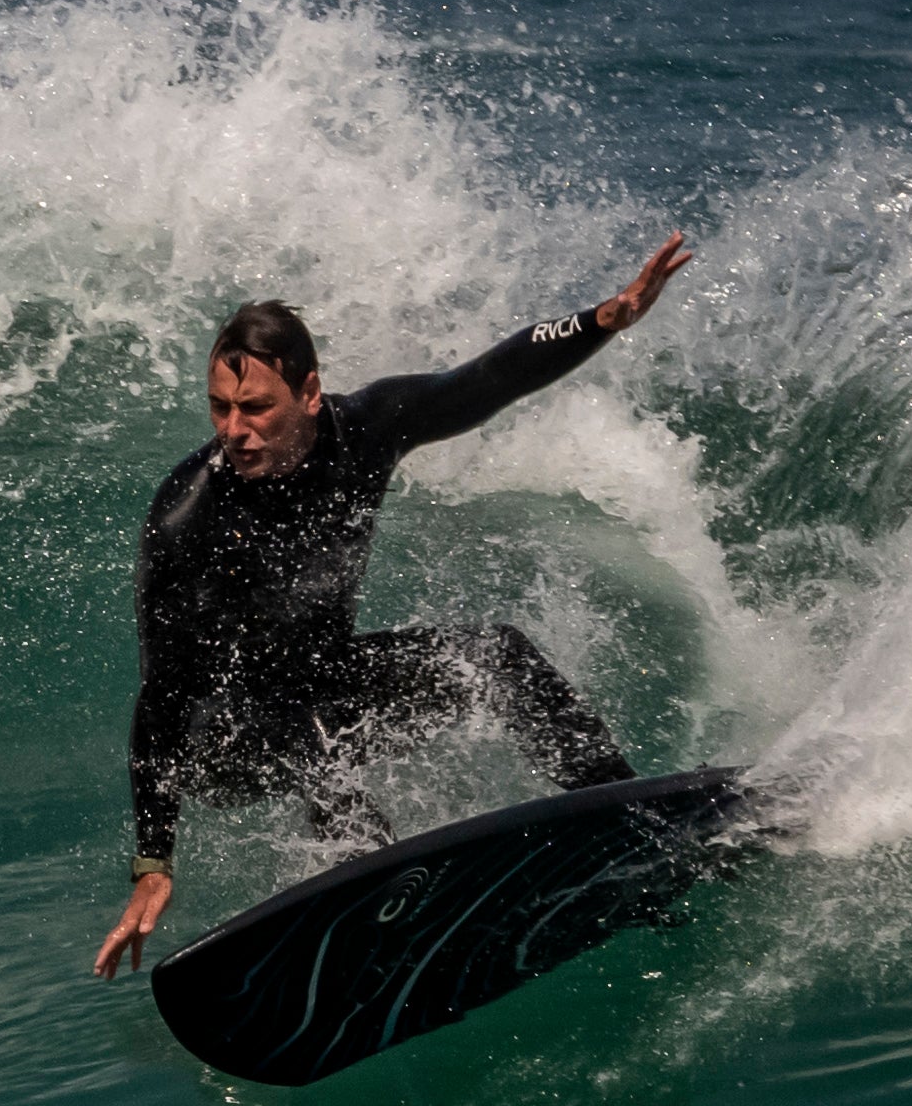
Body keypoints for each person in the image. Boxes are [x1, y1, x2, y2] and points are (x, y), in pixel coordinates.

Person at [91, 234, 696, 980]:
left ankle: (629, 828)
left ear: (308, 393)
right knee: (312, 745)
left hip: (323, 683)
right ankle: (369, 928)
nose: (234, 431)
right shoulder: (188, 517)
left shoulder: (366, 430)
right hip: (227, 737)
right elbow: (164, 695)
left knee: (494, 656)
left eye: (255, 407)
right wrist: (153, 858)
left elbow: (486, 378)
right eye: (219, 408)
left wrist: (603, 319)